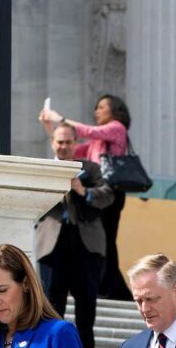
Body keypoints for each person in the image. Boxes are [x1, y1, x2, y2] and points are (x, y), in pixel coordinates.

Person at [40, 94, 133, 302]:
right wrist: (51, 129)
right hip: (91, 192)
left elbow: (86, 131)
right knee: (103, 241)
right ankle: (109, 287)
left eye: (101, 107)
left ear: (115, 110)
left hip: (109, 191)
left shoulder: (117, 128)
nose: (96, 111)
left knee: (107, 241)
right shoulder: (95, 143)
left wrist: (59, 119)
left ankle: (113, 290)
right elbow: (69, 149)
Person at [36, 122, 116, 348]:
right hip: (53, 242)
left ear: (76, 144)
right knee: (51, 300)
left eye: (68, 142)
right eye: (59, 142)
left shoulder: (90, 169)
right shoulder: (43, 168)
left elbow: (108, 195)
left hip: (86, 243)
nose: (63, 146)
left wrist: (84, 191)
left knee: (86, 301)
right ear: (52, 143)